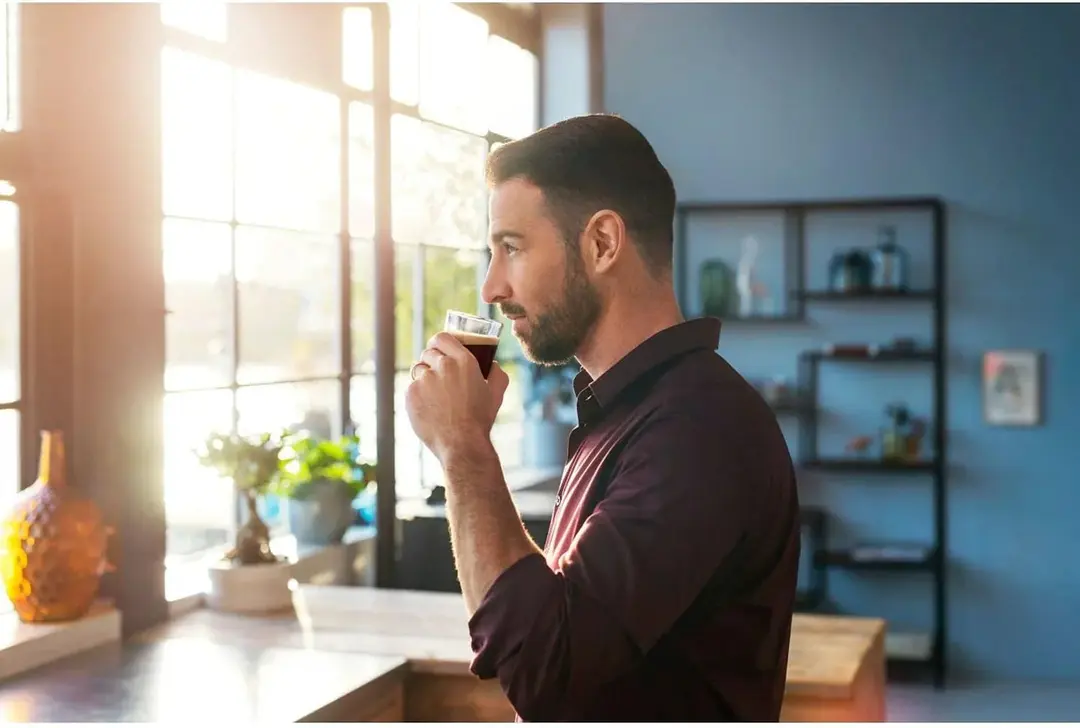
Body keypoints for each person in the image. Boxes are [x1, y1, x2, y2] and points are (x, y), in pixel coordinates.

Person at [404, 114, 801, 722]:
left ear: (602, 244)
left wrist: (462, 445)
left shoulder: (698, 431)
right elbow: (560, 623)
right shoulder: (628, 412)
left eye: (511, 248)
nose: (490, 286)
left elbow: (546, 667)